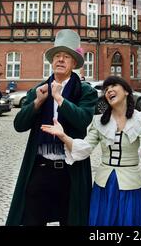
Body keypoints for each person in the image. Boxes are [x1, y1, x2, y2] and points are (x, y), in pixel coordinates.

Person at [41, 75, 141, 226]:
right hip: (105, 185)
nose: (109, 90)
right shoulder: (99, 122)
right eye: (106, 89)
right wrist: (63, 136)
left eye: (114, 86)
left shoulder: (140, 119)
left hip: (132, 185)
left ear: (126, 92)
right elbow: (84, 148)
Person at [6, 29, 98, 226]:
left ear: (74, 63)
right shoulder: (39, 89)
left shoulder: (85, 91)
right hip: (40, 168)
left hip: (70, 170)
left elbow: (83, 120)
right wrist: (37, 103)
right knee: (32, 219)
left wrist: (59, 98)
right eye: (57, 56)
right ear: (51, 61)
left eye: (66, 56)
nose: (61, 60)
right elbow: (19, 125)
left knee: (71, 219)